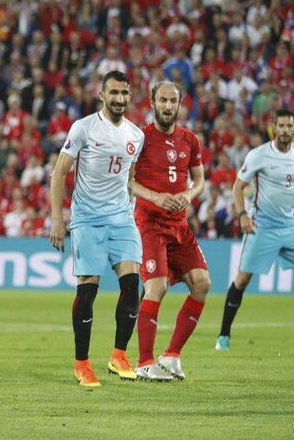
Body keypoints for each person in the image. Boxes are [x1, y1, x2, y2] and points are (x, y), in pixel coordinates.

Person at [49, 71, 144, 387]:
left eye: (124, 93)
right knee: (88, 289)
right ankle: (82, 363)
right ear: (102, 95)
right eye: (114, 93)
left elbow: (129, 179)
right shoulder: (84, 128)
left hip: (121, 218)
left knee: (133, 284)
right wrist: (57, 220)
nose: (119, 99)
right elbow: (59, 173)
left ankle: (119, 355)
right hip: (87, 219)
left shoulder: (136, 135)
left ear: (129, 96)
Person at [215, 109, 294, 352]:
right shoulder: (259, 155)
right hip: (262, 226)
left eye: (289, 126)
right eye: (280, 126)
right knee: (242, 279)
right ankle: (223, 336)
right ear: (273, 126)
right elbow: (238, 187)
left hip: (289, 226)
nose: (284, 130)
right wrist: (243, 215)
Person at [130, 81, 208, 382]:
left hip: (180, 225)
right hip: (150, 224)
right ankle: (144, 362)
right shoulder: (141, 139)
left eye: (172, 101)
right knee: (156, 287)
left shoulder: (190, 139)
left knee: (202, 283)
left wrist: (189, 195)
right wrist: (156, 197)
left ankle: (172, 356)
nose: (167, 106)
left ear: (179, 103)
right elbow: (128, 181)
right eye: (162, 100)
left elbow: (200, 180)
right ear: (152, 102)